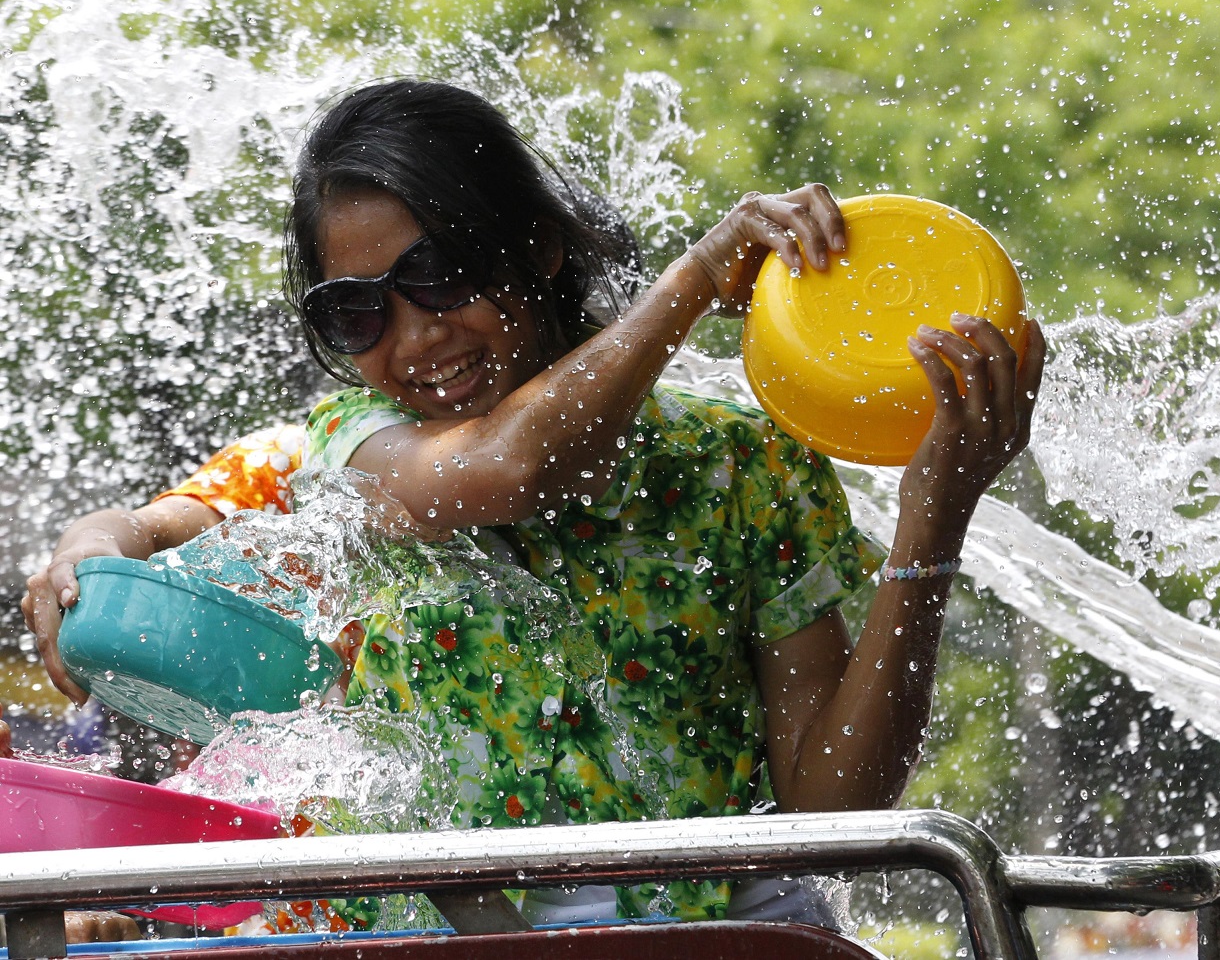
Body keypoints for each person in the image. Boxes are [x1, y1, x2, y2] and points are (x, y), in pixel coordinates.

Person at [22, 80, 1045, 924]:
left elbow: (837, 808)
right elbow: (498, 472)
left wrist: (931, 521)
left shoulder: (739, 462)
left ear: (543, 246)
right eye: (357, 309)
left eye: (442, 273)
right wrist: (89, 540)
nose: (415, 338)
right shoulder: (350, 451)